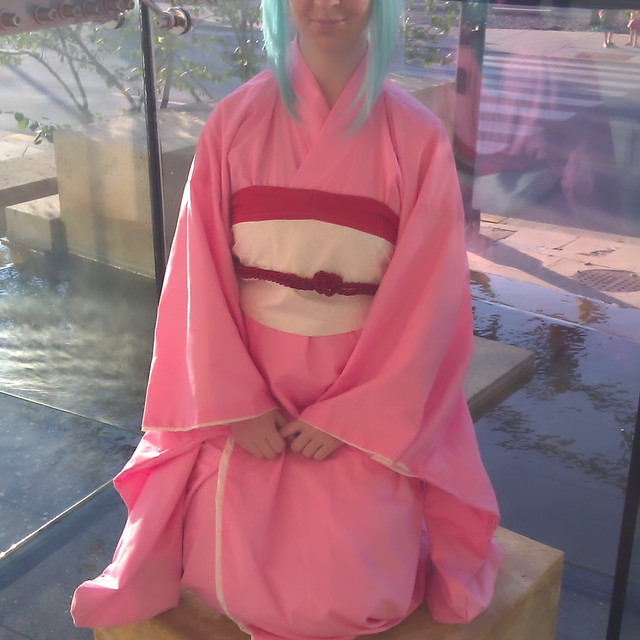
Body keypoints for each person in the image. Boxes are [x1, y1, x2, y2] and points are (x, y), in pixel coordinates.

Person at [71, 1, 501, 638]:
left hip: (364, 406)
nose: (328, 5)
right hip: (251, 393)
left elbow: (428, 304)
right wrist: (234, 404)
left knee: (355, 591)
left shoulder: (417, 138)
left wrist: (352, 417)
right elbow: (196, 277)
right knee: (224, 569)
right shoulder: (234, 121)